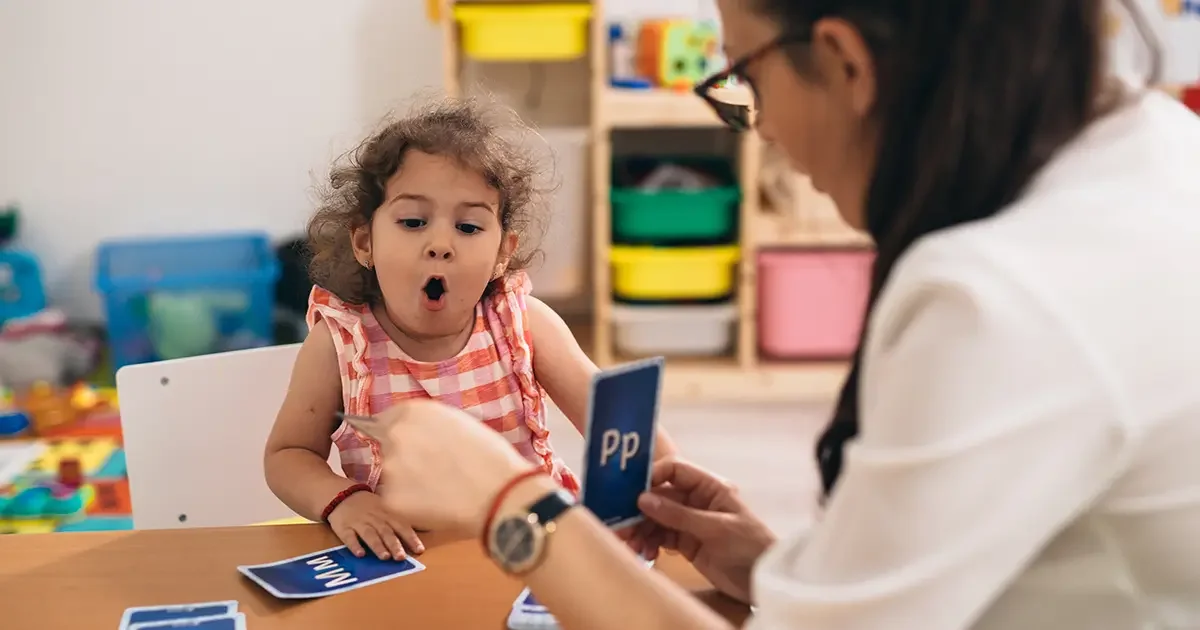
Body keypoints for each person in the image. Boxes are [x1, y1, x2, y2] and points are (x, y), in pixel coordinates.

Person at [351, 0, 1200, 628]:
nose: (761, 131)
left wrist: (513, 509)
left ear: (845, 64)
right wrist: (791, 570)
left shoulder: (997, 300)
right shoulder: (1156, 142)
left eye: (744, 77)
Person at [262, 97, 678, 561]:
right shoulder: (340, 343)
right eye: (413, 222)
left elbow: (619, 428)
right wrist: (345, 500)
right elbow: (288, 455)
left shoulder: (523, 323)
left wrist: (666, 485)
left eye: (468, 226)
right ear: (365, 242)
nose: (440, 244)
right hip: (404, 559)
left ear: (503, 251)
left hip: (533, 551)